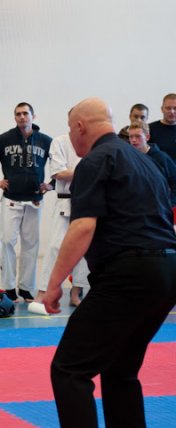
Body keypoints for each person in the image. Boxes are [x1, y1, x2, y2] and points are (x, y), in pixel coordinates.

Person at [43, 97, 176, 427]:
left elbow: (83, 227)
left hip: (130, 273)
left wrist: (53, 284)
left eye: (69, 130)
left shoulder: (95, 161)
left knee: (69, 369)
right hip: (167, 272)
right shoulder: (145, 161)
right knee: (120, 369)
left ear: (79, 127)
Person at [0, 102, 52, 302]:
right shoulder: (5, 139)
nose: (22, 117)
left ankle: (26, 288)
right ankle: (9, 287)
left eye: (25, 113)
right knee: (8, 242)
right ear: (15, 117)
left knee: (31, 245)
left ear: (33, 116)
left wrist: (51, 184)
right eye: (18, 114)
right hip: (11, 200)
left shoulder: (45, 141)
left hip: (34, 200)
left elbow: (61, 162)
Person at [36, 134, 89, 307]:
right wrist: (89, 171)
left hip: (88, 200)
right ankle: (43, 291)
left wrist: (77, 172)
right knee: (55, 247)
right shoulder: (60, 142)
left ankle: (76, 292)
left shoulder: (94, 141)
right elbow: (58, 173)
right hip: (65, 200)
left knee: (84, 249)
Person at [128, 121, 176, 210]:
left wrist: (170, 203)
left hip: (159, 207)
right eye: (131, 137)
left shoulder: (161, 158)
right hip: (136, 208)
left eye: (138, 136)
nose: (133, 140)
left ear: (147, 137)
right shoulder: (127, 157)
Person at [149, 93, 176, 160]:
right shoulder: (150, 129)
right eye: (168, 108)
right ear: (162, 109)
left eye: (175, 108)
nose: (172, 111)